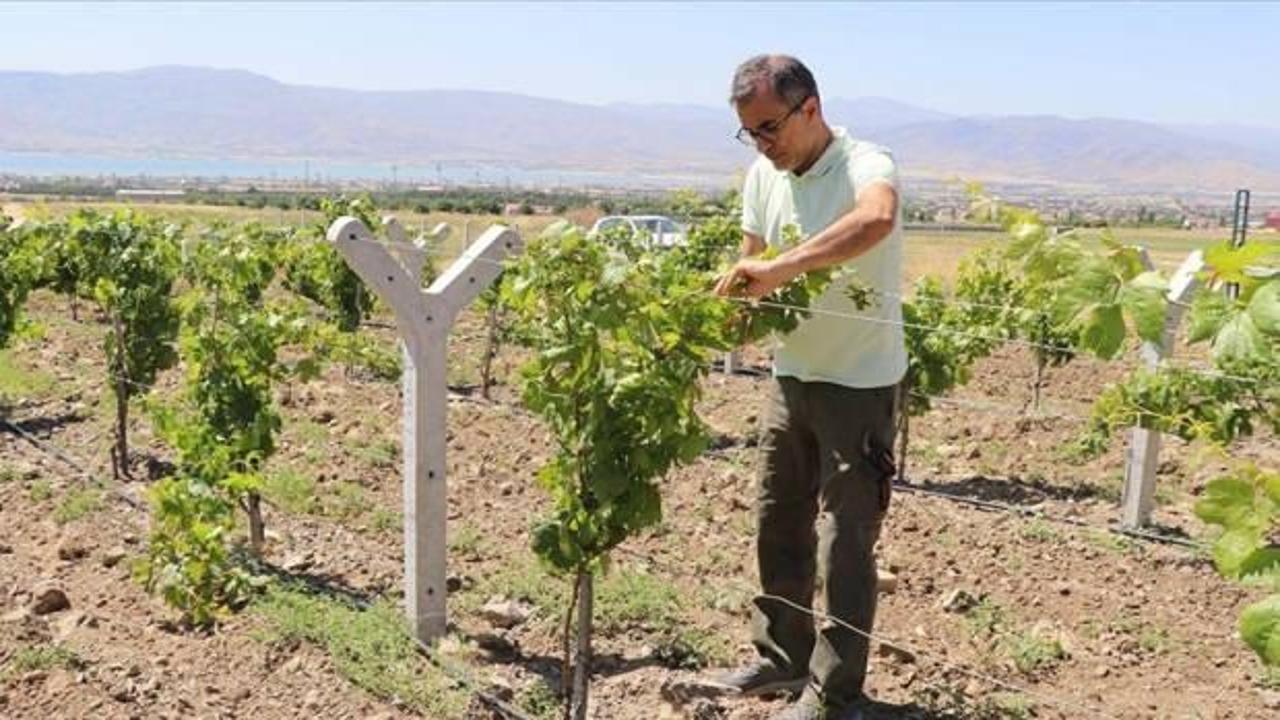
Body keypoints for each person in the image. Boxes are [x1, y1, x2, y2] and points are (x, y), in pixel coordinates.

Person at [710, 54, 907, 720]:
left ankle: (833, 694)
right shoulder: (762, 175)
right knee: (777, 521)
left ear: (810, 109)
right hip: (791, 376)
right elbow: (751, 263)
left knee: (845, 542)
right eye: (750, 133)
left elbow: (876, 220)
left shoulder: (865, 165)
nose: (763, 145)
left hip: (858, 383)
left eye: (770, 128)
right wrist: (730, 311)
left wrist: (782, 268)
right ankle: (780, 659)